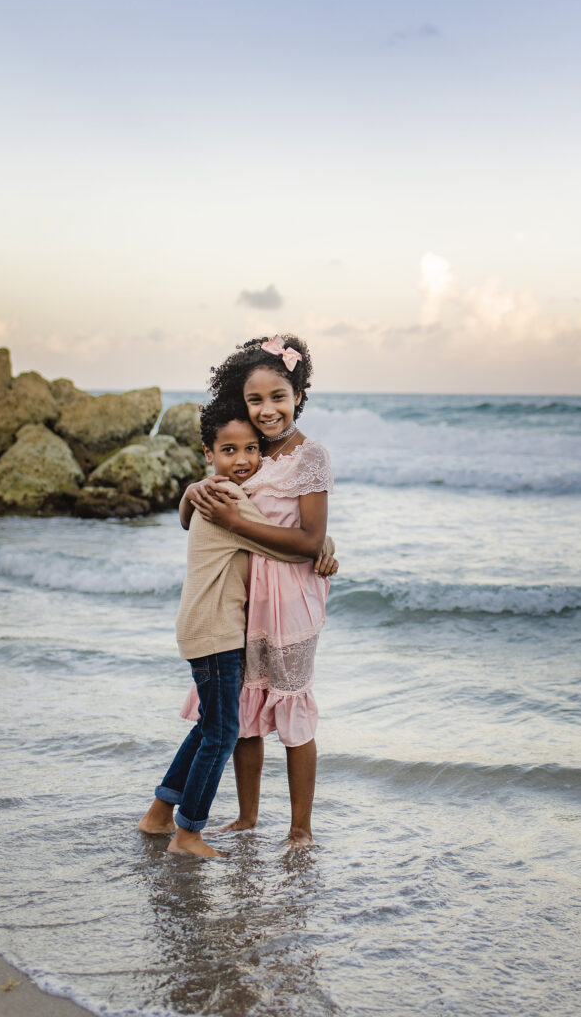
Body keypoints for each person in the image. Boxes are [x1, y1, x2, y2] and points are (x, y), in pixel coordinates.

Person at [137, 395, 336, 858]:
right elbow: (289, 543)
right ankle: (187, 834)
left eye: (252, 450)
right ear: (209, 453)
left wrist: (322, 540)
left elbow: (275, 532)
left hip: (207, 628)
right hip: (217, 632)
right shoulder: (225, 497)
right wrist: (319, 544)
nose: (244, 459)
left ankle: (159, 815)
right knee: (223, 734)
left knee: (211, 725)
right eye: (230, 451)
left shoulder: (221, 492)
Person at [185, 335, 333, 848]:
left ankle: (300, 828)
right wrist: (192, 491)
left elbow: (309, 537)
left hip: (293, 599)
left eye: (279, 396)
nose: (267, 410)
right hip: (243, 601)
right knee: (246, 708)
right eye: (255, 399)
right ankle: (247, 817)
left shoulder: (310, 456)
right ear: (241, 402)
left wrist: (324, 543)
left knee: (292, 704)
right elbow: (210, 512)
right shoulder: (247, 450)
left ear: (299, 395)